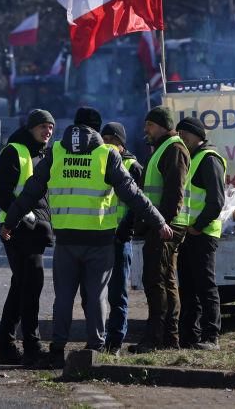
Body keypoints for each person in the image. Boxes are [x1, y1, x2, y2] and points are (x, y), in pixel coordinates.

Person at [2, 107, 172, 369]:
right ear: (96, 129)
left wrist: (10, 222)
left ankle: (57, 350)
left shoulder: (56, 152)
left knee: (64, 297)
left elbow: (30, 191)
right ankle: (95, 348)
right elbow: (132, 194)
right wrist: (158, 221)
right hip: (100, 240)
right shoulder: (106, 154)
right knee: (96, 297)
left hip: (67, 240)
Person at [0, 108, 56, 366]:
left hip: (35, 231)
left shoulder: (44, 154)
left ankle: (6, 347)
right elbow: (2, 193)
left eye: (50, 127)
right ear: (31, 128)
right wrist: (27, 218)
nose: (47, 131)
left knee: (22, 286)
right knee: (31, 285)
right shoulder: (14, 152)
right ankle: (31, 346)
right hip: (19, 230)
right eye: (42, 126)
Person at [129, 106, 190, 353]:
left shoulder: (173, 148)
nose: (146, 130)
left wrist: (160, 222)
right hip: (163, 225)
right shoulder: (165, 148)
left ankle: (156, 339)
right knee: (165, 281)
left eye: (150, 125)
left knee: (156, 281)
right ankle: (168, 338)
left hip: (165, 226)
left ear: (164, 126)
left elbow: (174, 192)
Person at [175, 116, 227, 350]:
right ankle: (189, 336)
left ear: (198, 135)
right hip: (188, 233)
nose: (181, 136)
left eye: (185, 132)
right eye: (179, 133)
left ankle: (211, 337)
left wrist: (198, 226)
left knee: (205, 285)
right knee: (188, 287)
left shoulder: (208, 159)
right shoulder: (192, 158)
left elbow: (216, 202)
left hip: (202, 234)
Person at [100, 122, 144, 355]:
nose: (106, 142)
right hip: (100, 236)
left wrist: (124, 231)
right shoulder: (99, 161)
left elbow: (137, 206)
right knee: (95, 293)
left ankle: (115, 341)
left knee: (118, 294)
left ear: (121, 142)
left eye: (110, 139)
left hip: (119, 239)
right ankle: (99, 339)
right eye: (103, 137)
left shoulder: (132, 166)